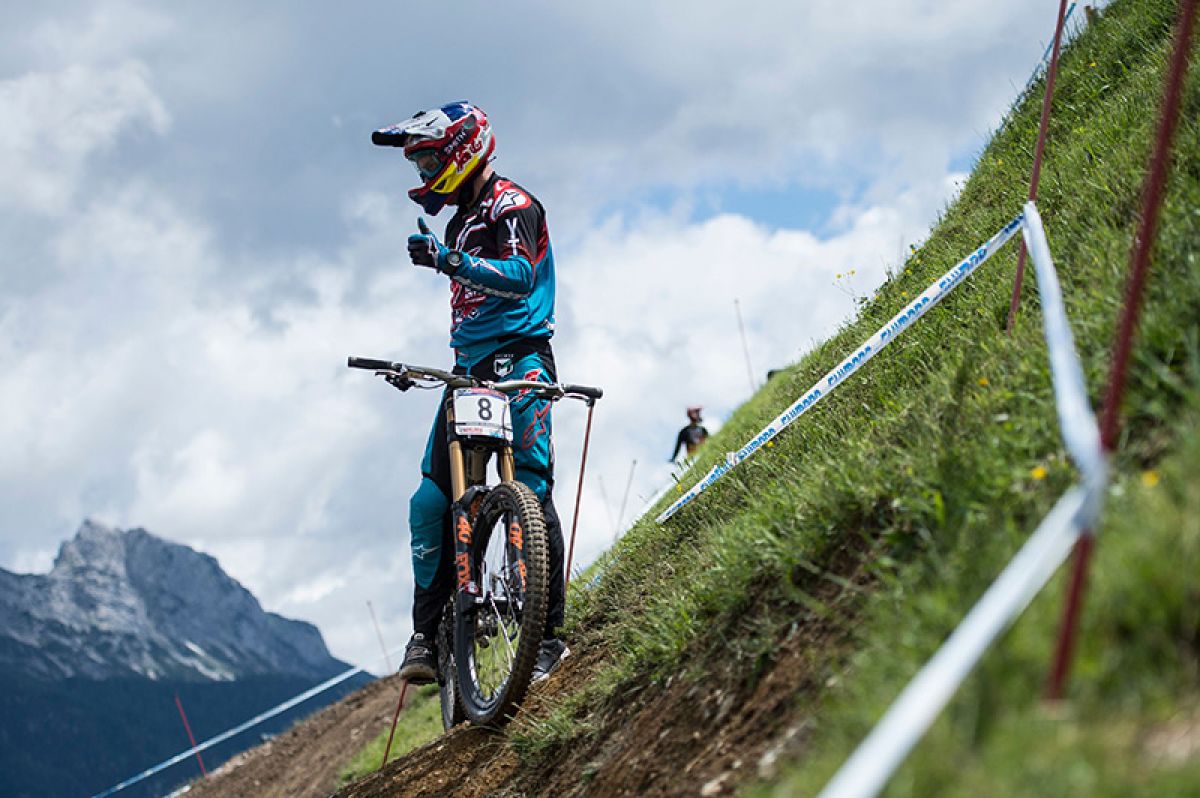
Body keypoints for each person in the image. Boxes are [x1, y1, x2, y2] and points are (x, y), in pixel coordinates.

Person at [372, 101, 568, 685]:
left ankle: (548, 637)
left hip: (523, 362)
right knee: (429, 501)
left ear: (462, 149)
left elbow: (519, 277)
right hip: (469, 368)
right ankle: (426, 636)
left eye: (429, 159)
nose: (424, 174)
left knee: (529, 490)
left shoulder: (514, 205)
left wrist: (447, 260)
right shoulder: (460, 218)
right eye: (419, 164)